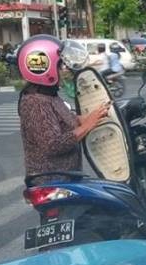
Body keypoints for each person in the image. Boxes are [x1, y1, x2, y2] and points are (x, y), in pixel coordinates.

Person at [17, 35, 109, 184]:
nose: (63, 70)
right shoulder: (35, 101)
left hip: (65, 176)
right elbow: (53, 145)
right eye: (60, 66)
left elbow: (63, 120)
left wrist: (93, 116)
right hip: (51, 181)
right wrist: (87, 125)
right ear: (44, 67)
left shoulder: (48, 94)